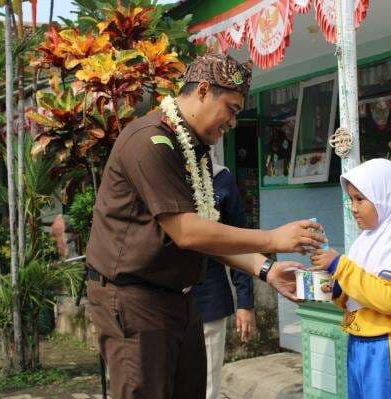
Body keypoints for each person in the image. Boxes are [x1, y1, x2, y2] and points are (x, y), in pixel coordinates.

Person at [85, 54, 324, 399]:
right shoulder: (149, 140)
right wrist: (273, 238)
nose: (232, 121)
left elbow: (208, 232)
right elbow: (187, 231)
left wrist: (265, 268)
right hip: (134, 299)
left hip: (180, 299)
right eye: (231, 108)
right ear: (203, 90)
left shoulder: (193, 151)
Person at [311, 158, 391, 399]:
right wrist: (329, 286)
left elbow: (389, 299)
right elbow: (357, 296)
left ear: (386, 197)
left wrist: (340, 265)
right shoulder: (366, 241)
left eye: (360, 199)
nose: (353, 207)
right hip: (360, 343)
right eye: (351, 199)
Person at [191, 150, 256, 399]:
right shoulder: (163, 174)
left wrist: (245, 302)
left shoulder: (221, 178)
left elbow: (239, 241)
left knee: (207, 386)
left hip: (209, 299)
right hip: (165, 301)